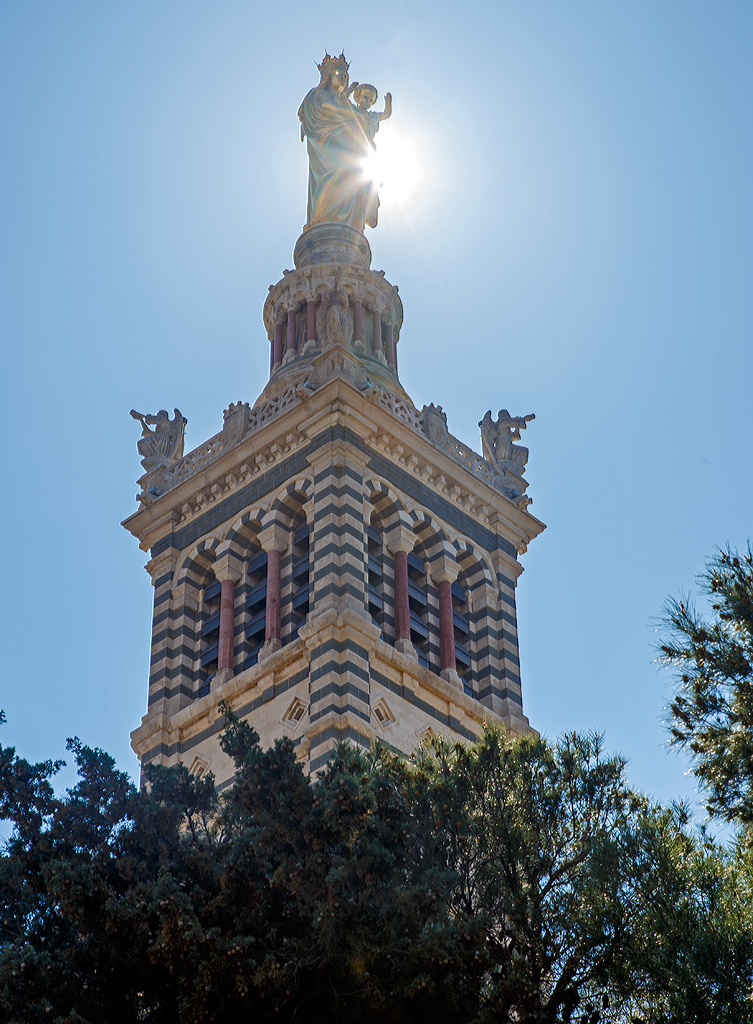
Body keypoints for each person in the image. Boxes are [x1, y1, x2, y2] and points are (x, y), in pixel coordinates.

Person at [298, 54, 385, 232]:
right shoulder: (318, 94)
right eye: (339, 74)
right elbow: (324, 113)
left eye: (345, 76)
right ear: (328, 75)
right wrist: (352, 116)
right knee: (338, 175)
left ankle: (350, 225)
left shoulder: (347, 104)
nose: (343, 78)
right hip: (328, 149)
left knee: (355, 180)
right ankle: (320, 219)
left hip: (349, 150)